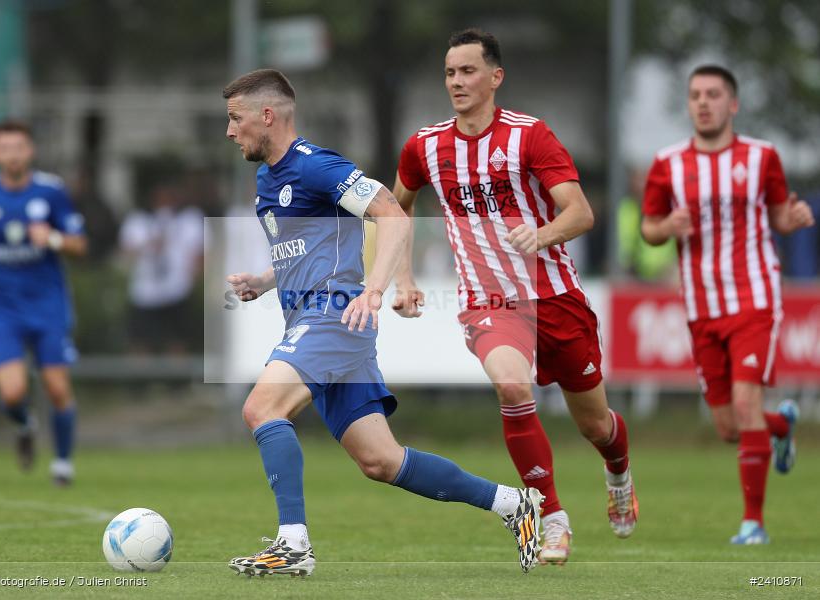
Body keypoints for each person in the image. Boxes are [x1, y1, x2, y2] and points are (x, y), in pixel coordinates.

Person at [222, 68, 544, 577]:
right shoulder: (268, 178)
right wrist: (264, 281)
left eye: (236, 119)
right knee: (381, 461)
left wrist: (373, 290)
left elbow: (392, 213)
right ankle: (514, 504)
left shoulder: (317, 167)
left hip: (335, 314)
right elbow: (308, 248)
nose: (230, 130)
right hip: (311, 318)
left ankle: (293, 544)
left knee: (262, 408)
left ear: (268, 115)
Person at [391, 29, 637, 565]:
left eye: (468, 71)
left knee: (595, 424)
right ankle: (552, 518)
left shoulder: (530, 136)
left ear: (495, 77)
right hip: (489, 302)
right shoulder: (425, 146)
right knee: (510, 384)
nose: (457, 81)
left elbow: (580, 212)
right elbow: (396, 207)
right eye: (450, 73)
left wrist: (543, 234)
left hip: (556, 298)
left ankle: (618, 470)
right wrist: (402, 278)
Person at [641, 65, 814, 544]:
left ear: (732, 104)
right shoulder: (667, 163)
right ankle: (780, 427)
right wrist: (666, 228)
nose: (703, 102)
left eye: (713, 94)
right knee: (729, 426)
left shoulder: (762, 157)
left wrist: (795, 217)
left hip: (755, 299)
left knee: (744, 402)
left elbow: (780, 215)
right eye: (696, 94)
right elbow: (649, 228)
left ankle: (753, 524)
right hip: (701, 306)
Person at [0, 119, 88, 486]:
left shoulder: (51, 191)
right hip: (1, 306)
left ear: (30, 151)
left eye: (19, 147)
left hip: (47, 304)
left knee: (57, 388)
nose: (12, 154)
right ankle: (25, 424)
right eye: (5, 148)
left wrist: (53, 239)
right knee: (12, 393)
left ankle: (62, 464)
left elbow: (79, 244)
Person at [119, 181, 205, 354]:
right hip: (144, 292)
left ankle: (176, 380)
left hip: (176, 291)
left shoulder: (188, 219)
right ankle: (142, 380)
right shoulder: (138, 221)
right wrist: (150, 242)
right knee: (140, 342)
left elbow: (199, 254)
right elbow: (126, 253)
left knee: (177, 341)